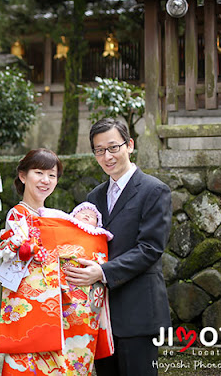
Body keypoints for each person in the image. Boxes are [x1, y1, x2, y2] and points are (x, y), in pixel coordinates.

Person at [64, 118, 172, 376]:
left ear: (130, 145)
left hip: (138, 311)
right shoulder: (94, 197)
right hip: (100, 315)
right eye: (99, 150)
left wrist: (102, 272)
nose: (107, 156)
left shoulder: (154, 190)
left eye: (113, 147)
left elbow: (150, 248)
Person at [0, 149, 113, 375]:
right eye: (38, 173)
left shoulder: (55, 216)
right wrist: (25, 249)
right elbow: (11, 252)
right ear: (23, 176)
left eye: (52, 175)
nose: (45, 180)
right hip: (34, 306)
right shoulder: (18, 214)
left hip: (67, 307)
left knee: (68, 364)